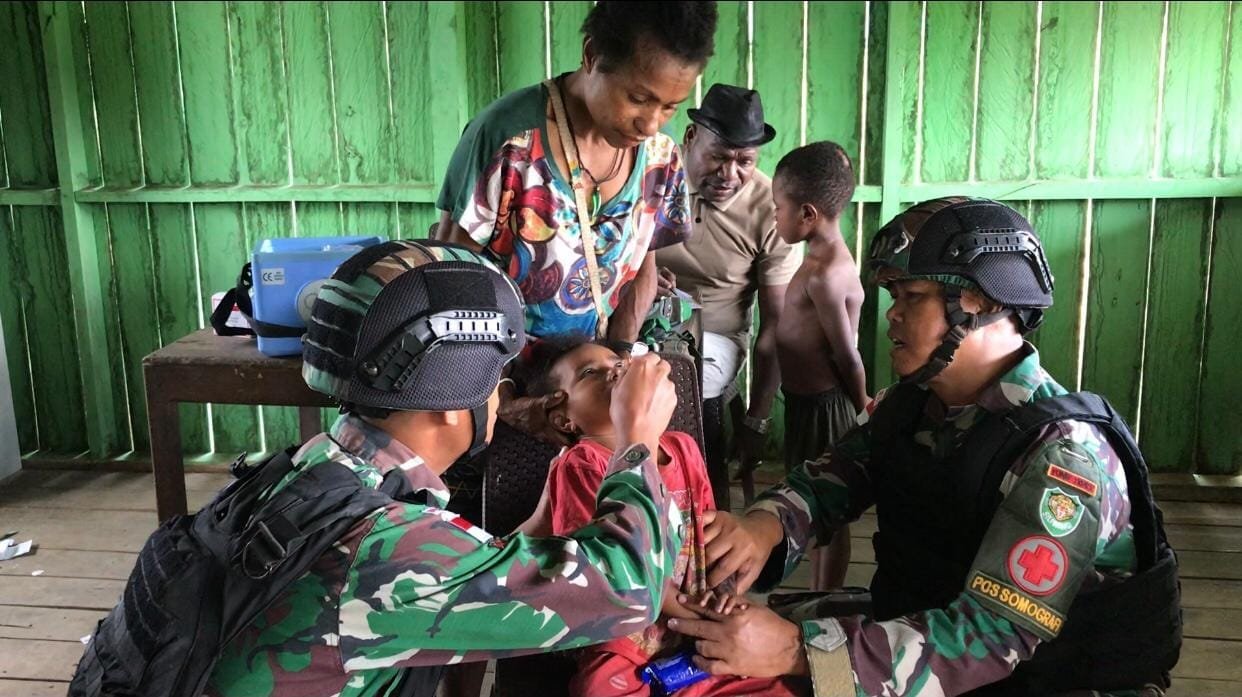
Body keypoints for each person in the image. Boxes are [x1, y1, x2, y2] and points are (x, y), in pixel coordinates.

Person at [668, 199, 1182, 696]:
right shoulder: (915, 405)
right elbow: (834, 477)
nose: (892, 315)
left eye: (911, 296)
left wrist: (796, 652)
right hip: (933, 625)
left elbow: (993, 635)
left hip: (1047, 674)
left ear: (982, 302)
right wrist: (766, 526)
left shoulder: (1062, 458)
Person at [205, 240, 688, 697]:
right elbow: (629, 593)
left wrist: (534, 528)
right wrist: (637, 440)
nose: (508, 399)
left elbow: (462, 576)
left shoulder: (308, 468)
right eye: (501, 381)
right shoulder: (384, 547)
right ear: (450, 407)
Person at [430, 1, 717, 569]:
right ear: (591, 58)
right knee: (487, 557)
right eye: (638, 97)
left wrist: (617, 366)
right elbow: (452, 281)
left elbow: (642, 270)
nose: (652, 122)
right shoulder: (509, 139)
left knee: (590, 547)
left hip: (578, 393)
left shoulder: (659, 157)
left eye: (671, 105)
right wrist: (502, 405)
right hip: (487, 387)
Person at [520, 336, 808, 697]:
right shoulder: (581, 463)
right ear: (564, 418)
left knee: (779, 683)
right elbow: (604, 573)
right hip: (627, 639)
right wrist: (697, 613)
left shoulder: (683, 448)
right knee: (598, 688)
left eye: (617, 363)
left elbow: (708, 541)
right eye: (590, 373)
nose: (614, 373)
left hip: (694, 628)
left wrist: (722, 597)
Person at [654, 83, 797, 513]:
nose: (730, 174)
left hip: (716, 336)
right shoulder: (651, 180)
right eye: (719, 156)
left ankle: (707, 512)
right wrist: (635, 276)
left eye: (745, 162)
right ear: (691, 138)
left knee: (689, 382)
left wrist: (759, 416)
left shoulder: (770, 209)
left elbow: (777, 324)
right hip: (642, 319)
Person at [771, 141, 868, 590]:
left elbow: (847, 354)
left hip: (826, 407)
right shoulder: (814, 258)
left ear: (807, 214)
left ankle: (824, 598)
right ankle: (816, 592)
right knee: (812, 501)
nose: (775, 217)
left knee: (829, 513)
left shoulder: (829, 273)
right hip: (804, 403)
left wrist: (861, 405)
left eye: (778, 209)